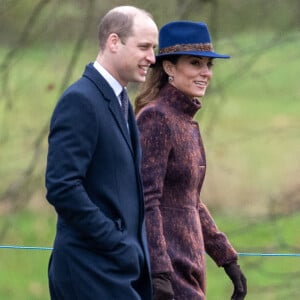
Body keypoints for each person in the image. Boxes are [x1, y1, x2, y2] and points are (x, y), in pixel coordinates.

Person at [45, 6, 158, 300]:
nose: (152, 58)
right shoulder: (80, 100)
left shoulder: (120, 102)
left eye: (154, 48)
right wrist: (115, 242)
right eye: (144, 47)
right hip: (89, 270)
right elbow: (62, 187)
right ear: (113, 42)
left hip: (117, 271)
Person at [135, 21, 247, 300]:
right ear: (170, 68)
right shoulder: (156, 118)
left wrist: (227, 258)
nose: (205, 73)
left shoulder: (184, 121)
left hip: (189, 265)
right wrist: (159, 272)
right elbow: (147, 200)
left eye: (209, 65)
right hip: (170, 271)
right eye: (195, 63)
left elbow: (190, 201)